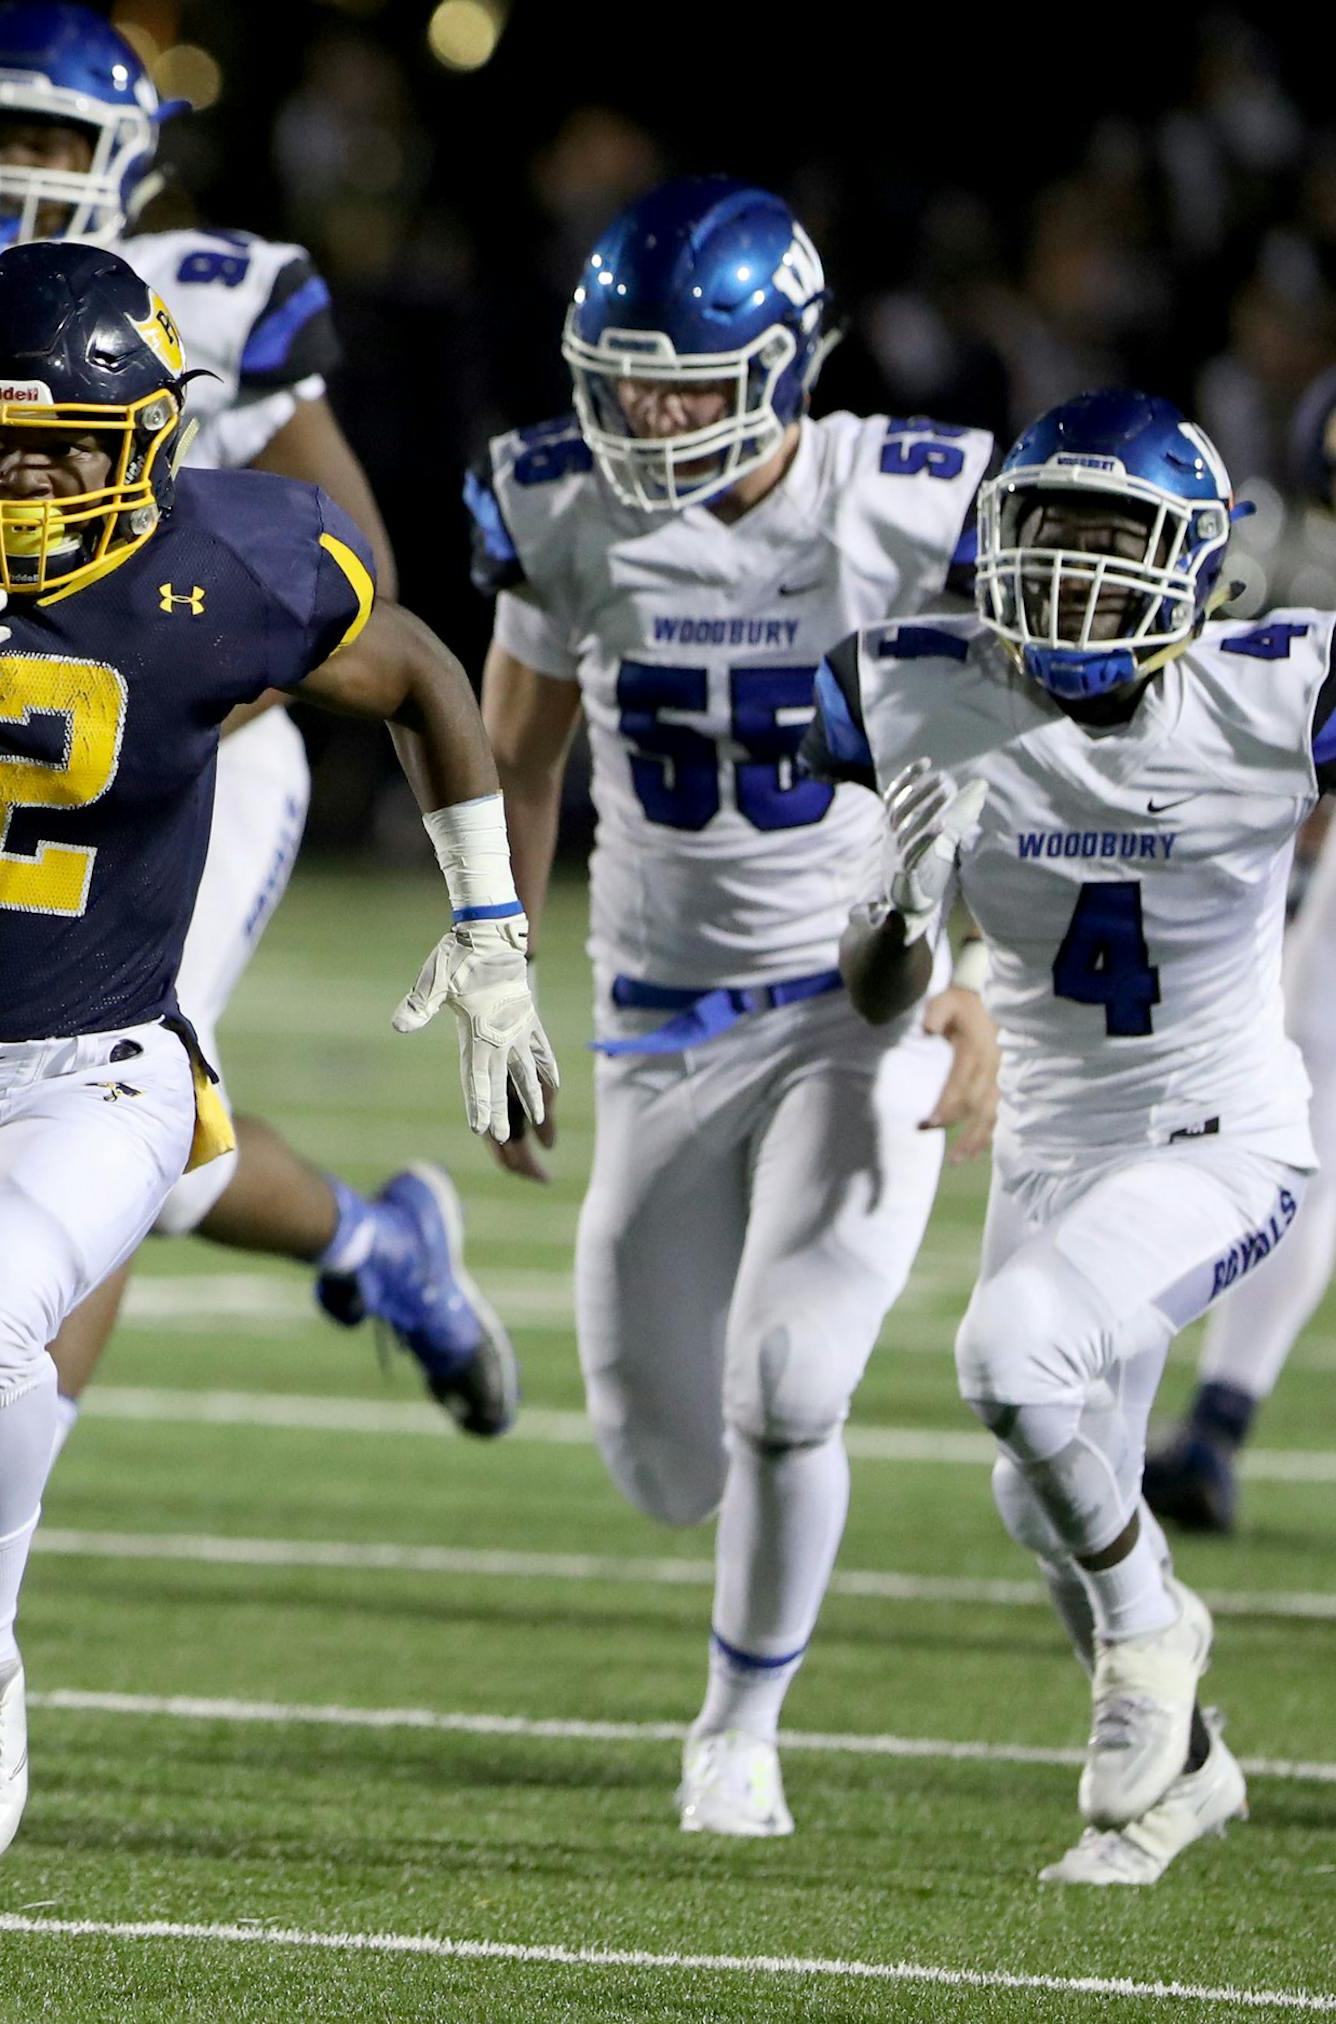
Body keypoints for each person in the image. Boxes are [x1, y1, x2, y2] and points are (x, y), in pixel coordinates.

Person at [0, 239, 557, 1954]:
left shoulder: (232, 562)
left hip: (102, 1065)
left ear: (142, 440)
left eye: (54, 445)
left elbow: (428, 679)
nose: (10, 479)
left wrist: (495, 933)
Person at [0, 0, 516, 1441]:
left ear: (130, 160)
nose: (13, 169)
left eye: (50, 139)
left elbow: (358, 581)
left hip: (185, 741)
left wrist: (160, 683)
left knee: (107, 1082)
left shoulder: (205, 294)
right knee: (153, 1147)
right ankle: (374, 1243)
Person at [472, 176, 999, 1837]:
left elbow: (1018, 756)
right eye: (629, 382)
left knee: (787, 1383)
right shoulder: (566, 504)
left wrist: (981, 973)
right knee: (662, 1461)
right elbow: (518, 754)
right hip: (655, 1013)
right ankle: (736, 1610)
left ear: (789, 363)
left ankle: (738, 1723)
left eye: (692, 384)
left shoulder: (900, 502)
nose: (654, 416)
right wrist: (498, 963)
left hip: (861, 997)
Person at [817, 388, 1329, 1884]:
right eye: (1052, 539)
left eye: (1119, 545)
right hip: (1051, 1144)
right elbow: (877, 991)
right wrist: (903, 905)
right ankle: (1191, 1771)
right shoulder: (919, 685)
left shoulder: (1280, 687)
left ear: (1198, 564)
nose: (1080, 579)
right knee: (1032, 1485)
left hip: (1221, 1134)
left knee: (1008, 1355)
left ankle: (1153, 1636)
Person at [1142, 368, 1336, 1534]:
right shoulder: (1273, 541)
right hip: (1242, 872)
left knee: (1299, 1117)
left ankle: (1207, 1413)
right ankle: (1209, 1411)